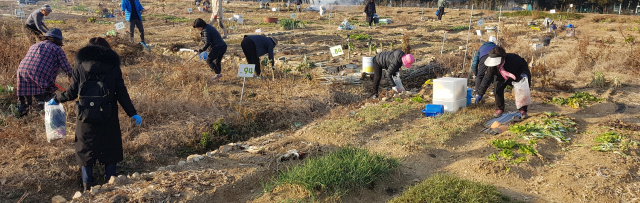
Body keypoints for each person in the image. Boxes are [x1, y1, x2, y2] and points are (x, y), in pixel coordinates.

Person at [48, 37, 142, 191]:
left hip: (85, 114)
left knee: (85, 146)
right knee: (110, 144)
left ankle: (87, 184)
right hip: (108, 113)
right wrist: (132, 113)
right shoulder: (113, 66)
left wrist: (57, 99)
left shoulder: (79, 65)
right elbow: (121, 93)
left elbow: (72, 92)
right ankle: (110, 180)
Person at [16, 28, 72, 117]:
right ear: (58, 40)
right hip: (39, 73)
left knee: (24, 95)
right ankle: (43, 113)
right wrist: (73, 76)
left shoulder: (34, 45)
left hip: (22, 71)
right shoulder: (57, 49)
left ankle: (20, 113)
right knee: (45, 99)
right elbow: (66, 67)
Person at [474, 46, 531, 118]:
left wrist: (524, 73)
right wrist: (480, 93)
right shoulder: (493, 66)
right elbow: (487, 78)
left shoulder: (514, 59)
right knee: (497, 88)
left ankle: (523, 111)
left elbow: (524, 65)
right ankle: (499, 109)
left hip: (516, 75)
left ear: (502, 58)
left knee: (522, 90)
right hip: (500, 77)